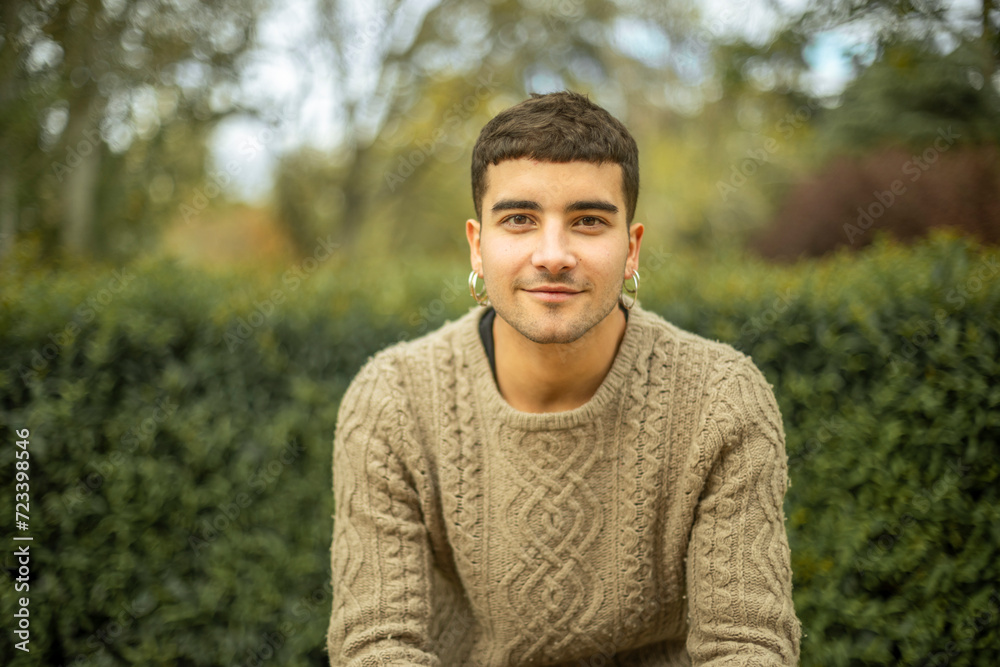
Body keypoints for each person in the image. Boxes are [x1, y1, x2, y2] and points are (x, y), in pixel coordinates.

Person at [327, 91, 801, 666]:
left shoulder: (721, 400)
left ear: (631, 249)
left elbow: (745, 647)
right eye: (520, 219)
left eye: (588, 221)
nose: (553, 255)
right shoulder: (393, 399)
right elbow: (378, 646)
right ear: (478, 245)